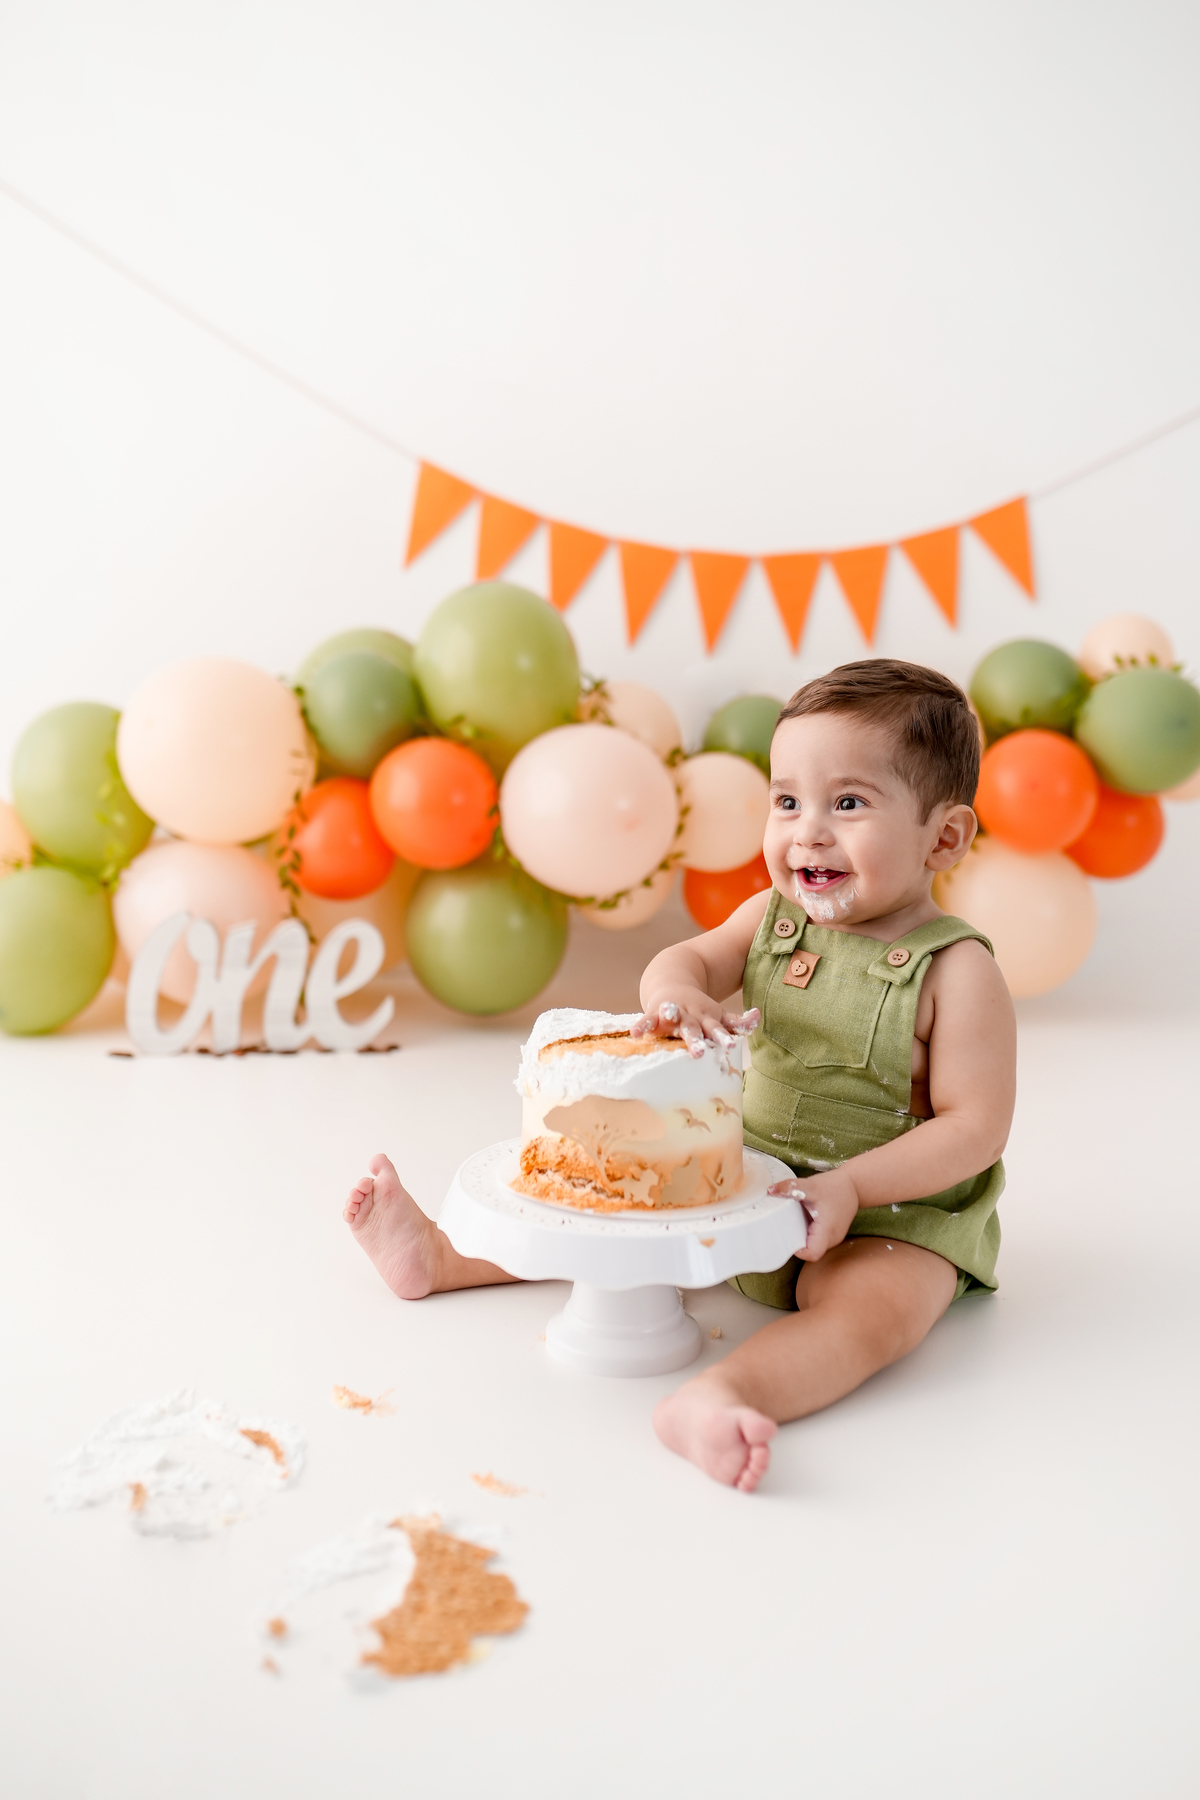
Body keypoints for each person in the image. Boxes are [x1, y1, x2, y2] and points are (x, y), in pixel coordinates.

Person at [344, 660, 1016, 1494]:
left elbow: (975, 1127)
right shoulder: (771, 920)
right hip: (747, 1178)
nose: (807, 832)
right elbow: (685, 959)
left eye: (847, 803)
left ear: (943, 838)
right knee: (616, 1212)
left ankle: (722, 1395)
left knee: (868, 1315)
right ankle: (444, 1259)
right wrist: (676, 995)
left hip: (890, 1216)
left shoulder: (958, 972)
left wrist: (850, 1188)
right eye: (786, 801)